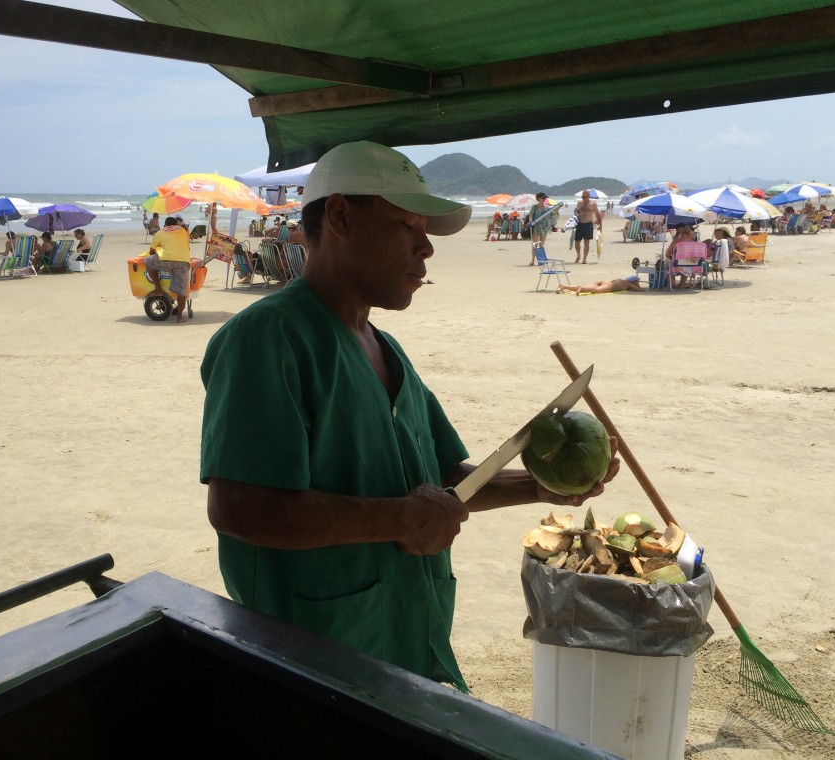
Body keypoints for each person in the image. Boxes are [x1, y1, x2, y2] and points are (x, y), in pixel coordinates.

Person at [199, 140, 620, 692]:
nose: (426, 249)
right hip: (315, 661)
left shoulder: (386, 349)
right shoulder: (267, 338)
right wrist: (398, 519)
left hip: (406, 640)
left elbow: (444, 482)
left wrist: (543, 487)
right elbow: (241, 509)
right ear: (342, 217)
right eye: (408, 225)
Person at [145, 216, 192, 323]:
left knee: (148, 262)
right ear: (176, 224)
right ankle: (179, 317)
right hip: (183, 262)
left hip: (166, 260)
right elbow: (187, 247)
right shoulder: (183, 231)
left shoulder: (160, 232)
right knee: (182, 292)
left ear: (165, 225)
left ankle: (158, 289)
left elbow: (152, 251)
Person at [573, 190, 603, 265]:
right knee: (577, 242)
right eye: (582, 197)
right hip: (580, 224)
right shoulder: (579, 203)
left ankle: (584, 259)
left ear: (588, 196)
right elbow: (576, 214)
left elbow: (597, 215)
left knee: (586, 242)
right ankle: (578, 255)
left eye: (584, 197)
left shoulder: (593, 204)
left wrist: (600, 225)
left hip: (588, 225)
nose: (583, 198)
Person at [527, 192, 558, 264]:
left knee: (541, 244)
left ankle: (540, 260)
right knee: (535, 244)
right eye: (543, 198)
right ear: (539, 198)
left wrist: (557, 209)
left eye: (545, 198)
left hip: (545, 227)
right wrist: (531, 222)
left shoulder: (547, 208)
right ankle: (533, 260)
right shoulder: (534, 207)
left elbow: (552, 215)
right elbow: (530, 215)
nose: (544, 199)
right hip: (536, 227)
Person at [555, 276, 645, 295]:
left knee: (590, 287)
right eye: (637, 281)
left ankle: (564, 286)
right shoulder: (628, 283)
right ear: (634, 281)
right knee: (595, 290)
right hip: (610, 286)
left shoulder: (623, 281)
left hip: (605, 281)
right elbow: (640, 290)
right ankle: (581, 288)